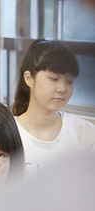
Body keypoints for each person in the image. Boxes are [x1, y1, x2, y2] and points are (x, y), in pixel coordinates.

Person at [12, 38, 95, 178]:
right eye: (54, 79)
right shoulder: (8, 132)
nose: (62, 89)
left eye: (69, 81)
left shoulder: (84, 133)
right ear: (29, 78)